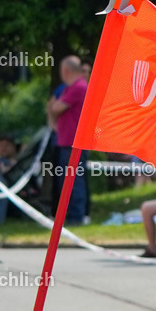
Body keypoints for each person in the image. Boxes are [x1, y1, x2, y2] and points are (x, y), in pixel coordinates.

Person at [46, 55, 89, 225]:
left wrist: (53, 111)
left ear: (65, 70)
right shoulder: (71, 88)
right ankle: (71, 216)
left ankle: (76, 217)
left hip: (73, 143)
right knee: (66, 181)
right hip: (66, 142)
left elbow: (55, 107)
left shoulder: (78, 87)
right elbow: (53, 107)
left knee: (74, 181)